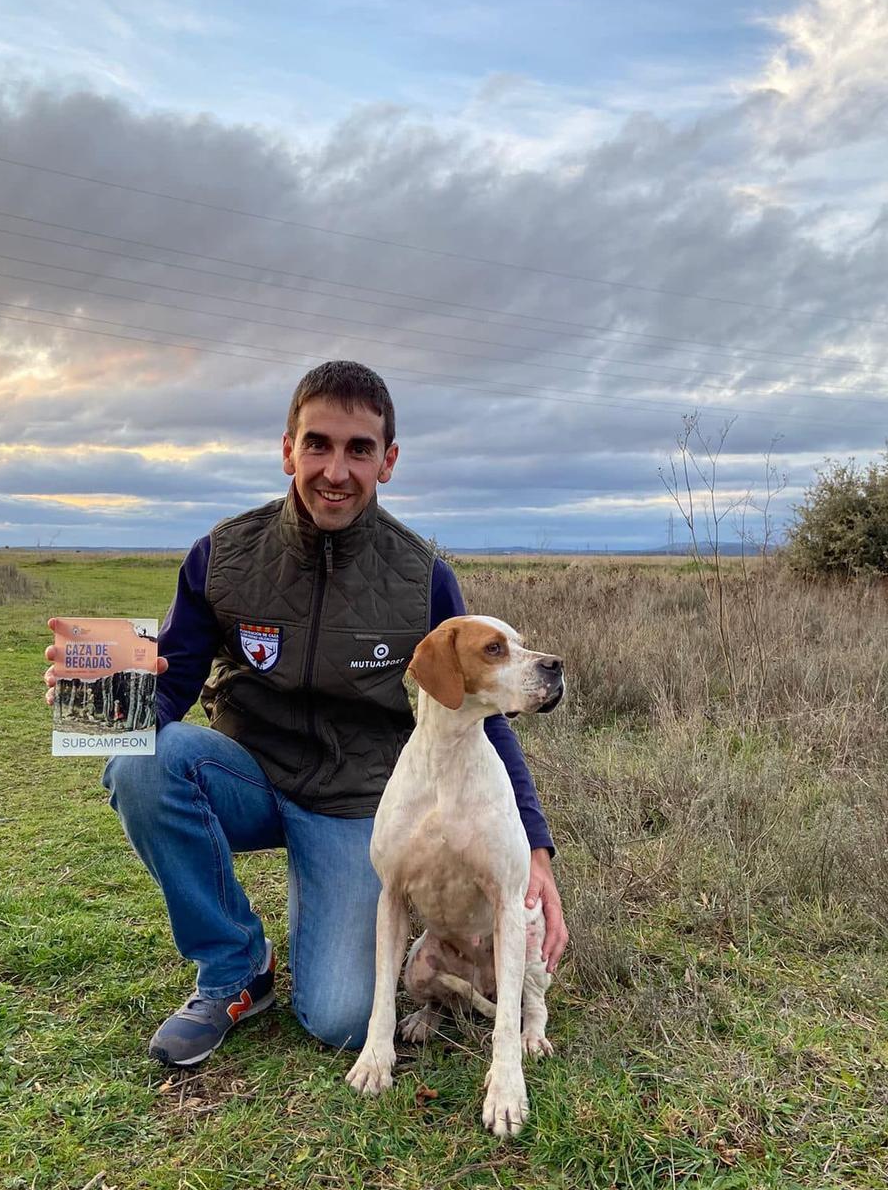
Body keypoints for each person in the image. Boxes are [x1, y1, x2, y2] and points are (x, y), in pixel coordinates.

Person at [44, 359, 567, 1067]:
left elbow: (483, 711)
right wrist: (103, 698)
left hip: (357, 808)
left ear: (388, 461)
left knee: (345, 1019)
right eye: (318, 444)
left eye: (359, 450)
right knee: (141, 759)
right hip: (250, 779)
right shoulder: (222, 556)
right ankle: (234, 969)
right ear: (288, 448)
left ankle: (321, 888)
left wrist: (535, 850)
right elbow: (170, 684)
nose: (335, 470)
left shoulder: (424, 577)